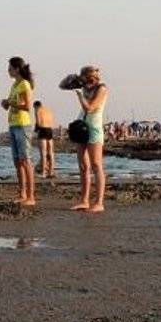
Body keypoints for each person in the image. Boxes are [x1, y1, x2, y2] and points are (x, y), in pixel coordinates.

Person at [66, 65, 109, 213]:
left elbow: (90, 108)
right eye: (85, 80)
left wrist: (80, 95)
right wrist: (74, 79)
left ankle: (99, 202)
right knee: (83, 166)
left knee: (96, 164)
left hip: (94, 128)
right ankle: (84, 200)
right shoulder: (84, 87)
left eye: (90, 80)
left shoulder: (102, 89)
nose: (88, 83)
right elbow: (62, 85)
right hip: (82, 127)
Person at [1, 57, 36, 206]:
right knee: (17, 162)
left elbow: (27, 106)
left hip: (23, 125)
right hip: (13, 124)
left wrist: (11, 103)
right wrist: (6, 104)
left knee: (25, 160)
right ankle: (22, 193)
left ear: (17, 69)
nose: (8, 71)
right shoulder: (14, 85)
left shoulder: (25, 84)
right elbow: (11, 104)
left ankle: (31, 196)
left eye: (10, 68)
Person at [34, 100, 56, 177]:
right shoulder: (48, 110)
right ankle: (51, 171)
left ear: (35, 106)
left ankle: (43, 172)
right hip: (50, 130)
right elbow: (52, 121)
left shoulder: (37, 110)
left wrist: (36, 129)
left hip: (42, 130)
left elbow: (38, 123)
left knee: (43, 153)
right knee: (51, 152)